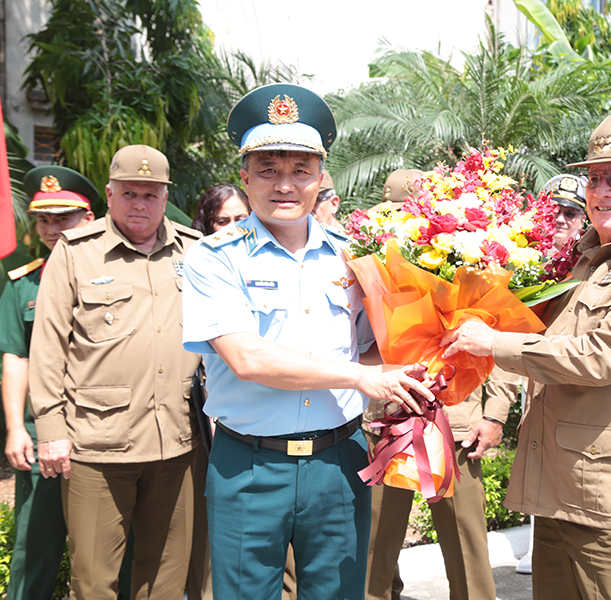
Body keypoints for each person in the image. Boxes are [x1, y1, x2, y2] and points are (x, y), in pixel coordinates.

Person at [180, 83, 434, 600]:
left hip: (338, 462)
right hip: (248, 466)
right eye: (268, 169)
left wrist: (429, 350)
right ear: (245, 176)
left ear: (320, 177)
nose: (285, 184)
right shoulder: (214, 257)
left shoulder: (357, 255)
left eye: (300, 169)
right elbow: (246, 357)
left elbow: (371, 347)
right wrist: (361, 377)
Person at [440, 114, 611, 600]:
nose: (601, 191)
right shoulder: (587, 260)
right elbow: (533, 330)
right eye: (594, 178)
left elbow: (600, 356)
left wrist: (492, 343)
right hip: (562, 495)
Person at [28, 144, 203, 600]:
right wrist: (50, 430)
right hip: (97, 446)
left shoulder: (195, 251)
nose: (140, 204)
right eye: (129, 193)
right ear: (110, 193)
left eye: (151, 194)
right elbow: (48, 346)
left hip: (178, 442)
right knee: (93, 581)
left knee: (166, 578)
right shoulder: (75, 252)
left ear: (166, 196)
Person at [362, 170, 522, 600]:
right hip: (387, 420)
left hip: (456, 421)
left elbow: (501, 340)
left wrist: (494, 415)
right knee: (374, 544)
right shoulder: (368, 268)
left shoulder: (471, 263)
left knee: (467, 546)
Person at [0, 166, 95, 600]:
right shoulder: (23, 286)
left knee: (112, 552)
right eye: (44, 220)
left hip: (107, 434)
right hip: (43, 437)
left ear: (89, 218)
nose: (52, 229)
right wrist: (17, 428)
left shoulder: (112, 275)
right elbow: (15, 359)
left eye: (64, 218)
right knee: (35, 549)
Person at [541, 173, 587, 252]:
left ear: (582, 221)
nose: (560, 220)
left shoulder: (589, 255)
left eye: (570, 214)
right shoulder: (526, 249)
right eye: (555, 212)